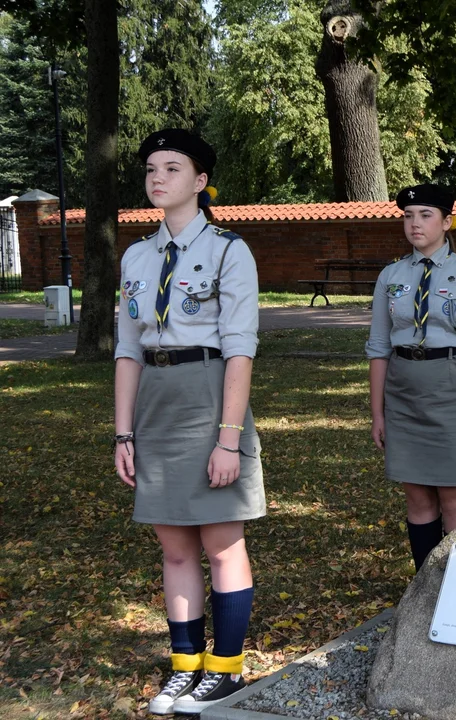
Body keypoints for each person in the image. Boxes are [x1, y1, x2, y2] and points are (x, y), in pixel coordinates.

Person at [114, 128, 264, 715]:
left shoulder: (230, 251)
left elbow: (240, 351)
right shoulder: (135, 256)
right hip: (154, 398)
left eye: (172, 168)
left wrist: (228, 439)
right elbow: (127, 350)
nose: (157, 177)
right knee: (173, 544)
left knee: (222, 542)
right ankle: (185, 667)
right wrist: (123, 432)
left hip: (209, 395)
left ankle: (225, 671)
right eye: (151, 168)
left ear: (200, 182)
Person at [365, 184, 456, 571]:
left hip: (453, 388)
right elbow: (378, 348)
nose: (414, 223)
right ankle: (425, 588)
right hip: (404, 390)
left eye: (425, 215)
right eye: (408, 216)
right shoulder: (391, 275)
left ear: (447, 222)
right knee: (418, 498)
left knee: (455, 497)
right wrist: (378, 413)